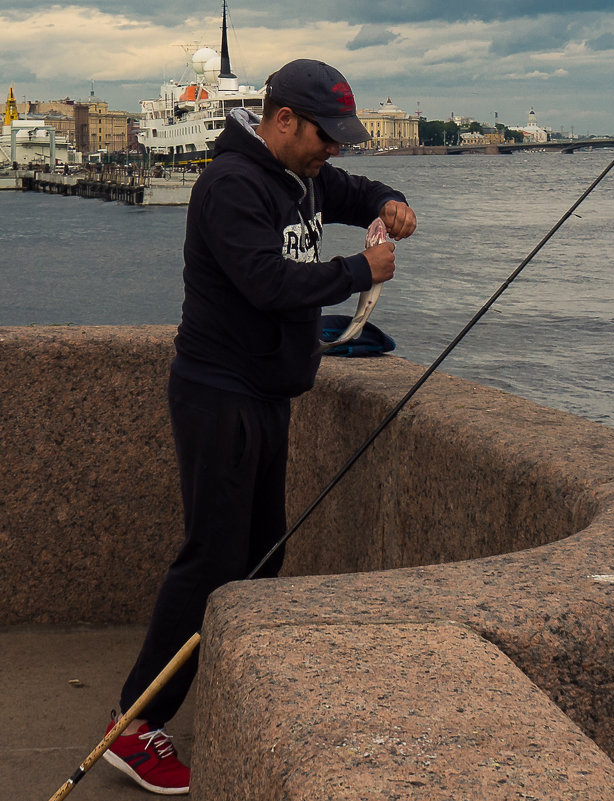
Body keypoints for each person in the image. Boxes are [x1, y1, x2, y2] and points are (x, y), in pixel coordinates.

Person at [103, 59, 417, 795]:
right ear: (282, 121)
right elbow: (267, 283)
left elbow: (356, 190)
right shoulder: (231, 186)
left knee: (261, 555)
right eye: (324, 136)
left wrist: (391, 200)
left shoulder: (301, 173)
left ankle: (233, 686)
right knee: (211, 558)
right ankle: (133, 721)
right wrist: (360, 268)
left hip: (265, 393)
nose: (332, 150)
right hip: (218, 395)